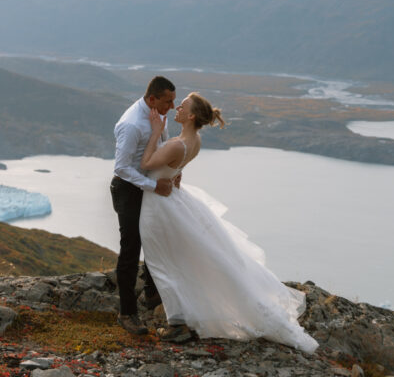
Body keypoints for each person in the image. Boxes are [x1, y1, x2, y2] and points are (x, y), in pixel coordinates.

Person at [138, 92, 319, 353]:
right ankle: (180, 315)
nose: (177, 107)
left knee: (162, 262)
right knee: (174, 260)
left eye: (183, 105)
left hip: (159, 207)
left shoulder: (177, 145)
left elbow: (145, 164)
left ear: (190, 116)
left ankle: (177, 323)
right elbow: (176, 167)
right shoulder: (194, 140)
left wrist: (155, 131)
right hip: (172, 201)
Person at [110, 75, 178, 335]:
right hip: (128, 190)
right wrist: (153, 186)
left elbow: (161, 145)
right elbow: (122, 167)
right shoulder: (131, 124)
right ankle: (127, 313)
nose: (172, 106)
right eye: (168, 101)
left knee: (155, 238)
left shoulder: (158, 114)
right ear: (153, 99)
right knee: (131, 249)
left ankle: (151, 295)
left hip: (150, 186)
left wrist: (170, 171)